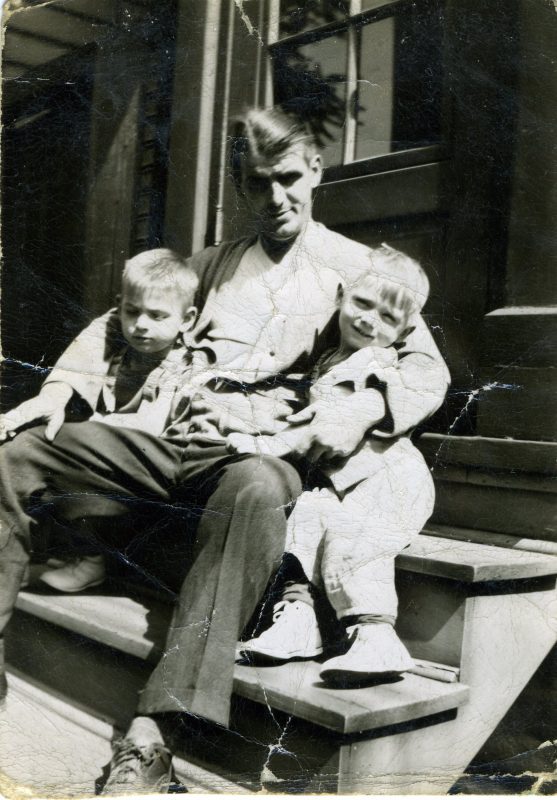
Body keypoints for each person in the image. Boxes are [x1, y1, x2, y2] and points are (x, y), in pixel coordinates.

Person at [0, 107, 449, 793]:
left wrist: (362, 407)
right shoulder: (216, 263)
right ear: (240, 186)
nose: (274, 199)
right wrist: (61, 388)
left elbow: (424, 368)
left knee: (261, 492)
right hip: (165, 437)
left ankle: (154, 736)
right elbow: (116, 316)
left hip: (258, 451)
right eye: (256, 183)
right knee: (18, 453)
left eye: (289, 179)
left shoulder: (357, 270)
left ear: (316, 172)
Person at [229, 245, 439, 682]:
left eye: (386, 318)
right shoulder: (332, 359)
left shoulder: (371, 363)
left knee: (354, 545)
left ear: (404, 333)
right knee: (305, 521)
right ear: (343, 294)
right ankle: (300, 622)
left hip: (388, 480)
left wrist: (260, 444)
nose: (367, 319)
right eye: (362, 303)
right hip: (346, 481)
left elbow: (316, 431)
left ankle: (376, 638)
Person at [33, 248, 200, 591]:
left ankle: (94, 559)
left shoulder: (183, 366)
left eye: (157, 316)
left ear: (187, 319)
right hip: (114, 464)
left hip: (155, 475)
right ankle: (75, 551)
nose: (140, 325)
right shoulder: (120, 354)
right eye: (132, 311)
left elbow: (160, 428)